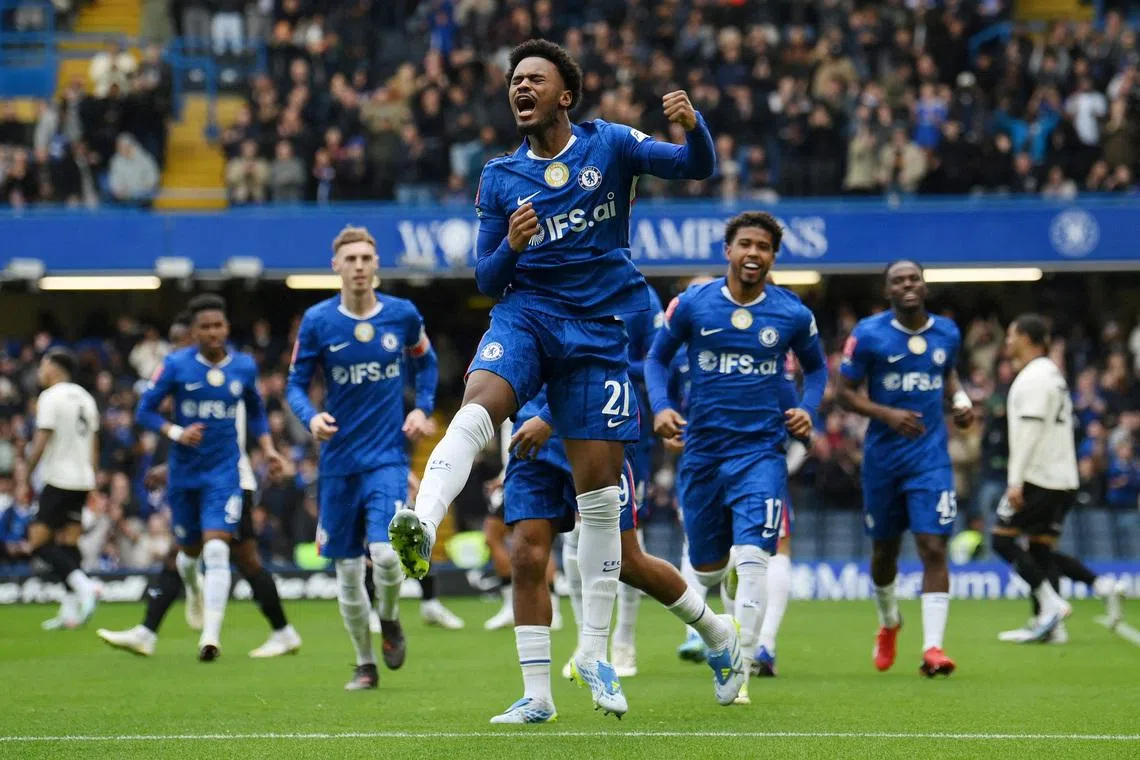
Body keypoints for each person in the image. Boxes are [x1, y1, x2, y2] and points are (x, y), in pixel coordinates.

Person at [387, 38, 715, 718]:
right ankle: (420, 519)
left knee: (603, 516)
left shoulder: (611, 145)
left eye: (533, 78)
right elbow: (483, 277)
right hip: (527, 316)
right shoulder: (499, 178)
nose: (519, 87)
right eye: (514, 80)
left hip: (595, 338)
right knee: (481, 401)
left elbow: (695, 166)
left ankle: (611, 653)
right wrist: (511, 242)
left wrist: (692, 122)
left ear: (565, 94)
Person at [645, 211, 827, 704]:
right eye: (745, 244)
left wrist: (807, 409)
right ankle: (718, 622)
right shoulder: (694, 305)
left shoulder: (791, 313)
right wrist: (661, 406)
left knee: (754, 559)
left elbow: (817, 367)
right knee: (705, 568)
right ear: (728, 251)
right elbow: (656, 358)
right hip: (702, 453)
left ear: (773, 256)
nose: (753, 253)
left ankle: (740, 666)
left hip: (760, 453)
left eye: (763, 247)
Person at [489, 384, 744, 724]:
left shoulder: (598, 326)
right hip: (533, 442)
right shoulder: (514, 327)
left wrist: (548, 416)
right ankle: (537, 697)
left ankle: (716, 632)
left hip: (595, 431)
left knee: (626, 560)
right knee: (526, 555)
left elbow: (597, 360)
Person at [286, 225, 438, 691]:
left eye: (365, 259)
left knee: (386, 557)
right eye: (349, 259)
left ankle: (389, 619)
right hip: (337, 464)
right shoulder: (317, 322)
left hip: (388, 457)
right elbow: (294, 384)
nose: (357, 267)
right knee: (348, 573)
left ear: (376, 266)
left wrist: (421, 407)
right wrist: (310, 418)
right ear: (335, 266)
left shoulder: (403, 315)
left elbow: (426, 363)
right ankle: (364, 663)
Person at [99, 312, 301, 657]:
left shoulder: (231, 372)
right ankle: (280, 630)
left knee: (228, 554)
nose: (179, 348)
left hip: (232, 476)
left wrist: (268, 451)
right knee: (212, 554)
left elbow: (241, 424)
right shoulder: (186, 370)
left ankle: (176, 630)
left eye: (181, 341)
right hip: (197, 474)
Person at [836, 260, 973, 678]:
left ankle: (933, 648)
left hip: (930, 459)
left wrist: (962, 401)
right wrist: (887, 414)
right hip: (883, 460)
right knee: (885, 552)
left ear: (925, 286)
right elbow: (843, 394)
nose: (907, 285)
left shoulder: (947, 332)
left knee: (933, 547)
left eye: (914, 278)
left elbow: (946, 375)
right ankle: (890, 621)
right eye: (899, 281)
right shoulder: (868, 334)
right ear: (888, 291)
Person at [992, 314, 1125, 644]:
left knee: (1002, 540)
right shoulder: (1053, 374)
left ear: (1027, 338)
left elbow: (1031, 432)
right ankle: (1055, 624)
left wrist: (1015, 481)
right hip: (1061, 478)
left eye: (1011, 335)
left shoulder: (1035, 376)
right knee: (1040, 550)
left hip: (1040, 477)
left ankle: (1051, 607)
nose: (1007, 342)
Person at [23, 349, 101, 629]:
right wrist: (92, 480)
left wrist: (26, 475)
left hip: (58, 479)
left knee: (37, 543)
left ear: (54, 367)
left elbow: (42, 439)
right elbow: (94, 443)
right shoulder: (86, 397)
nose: (40, 372)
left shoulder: (50, 397)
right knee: (68, 544)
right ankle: (69, 611)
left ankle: (85, 586)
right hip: (82, 479)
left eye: (42, 366)